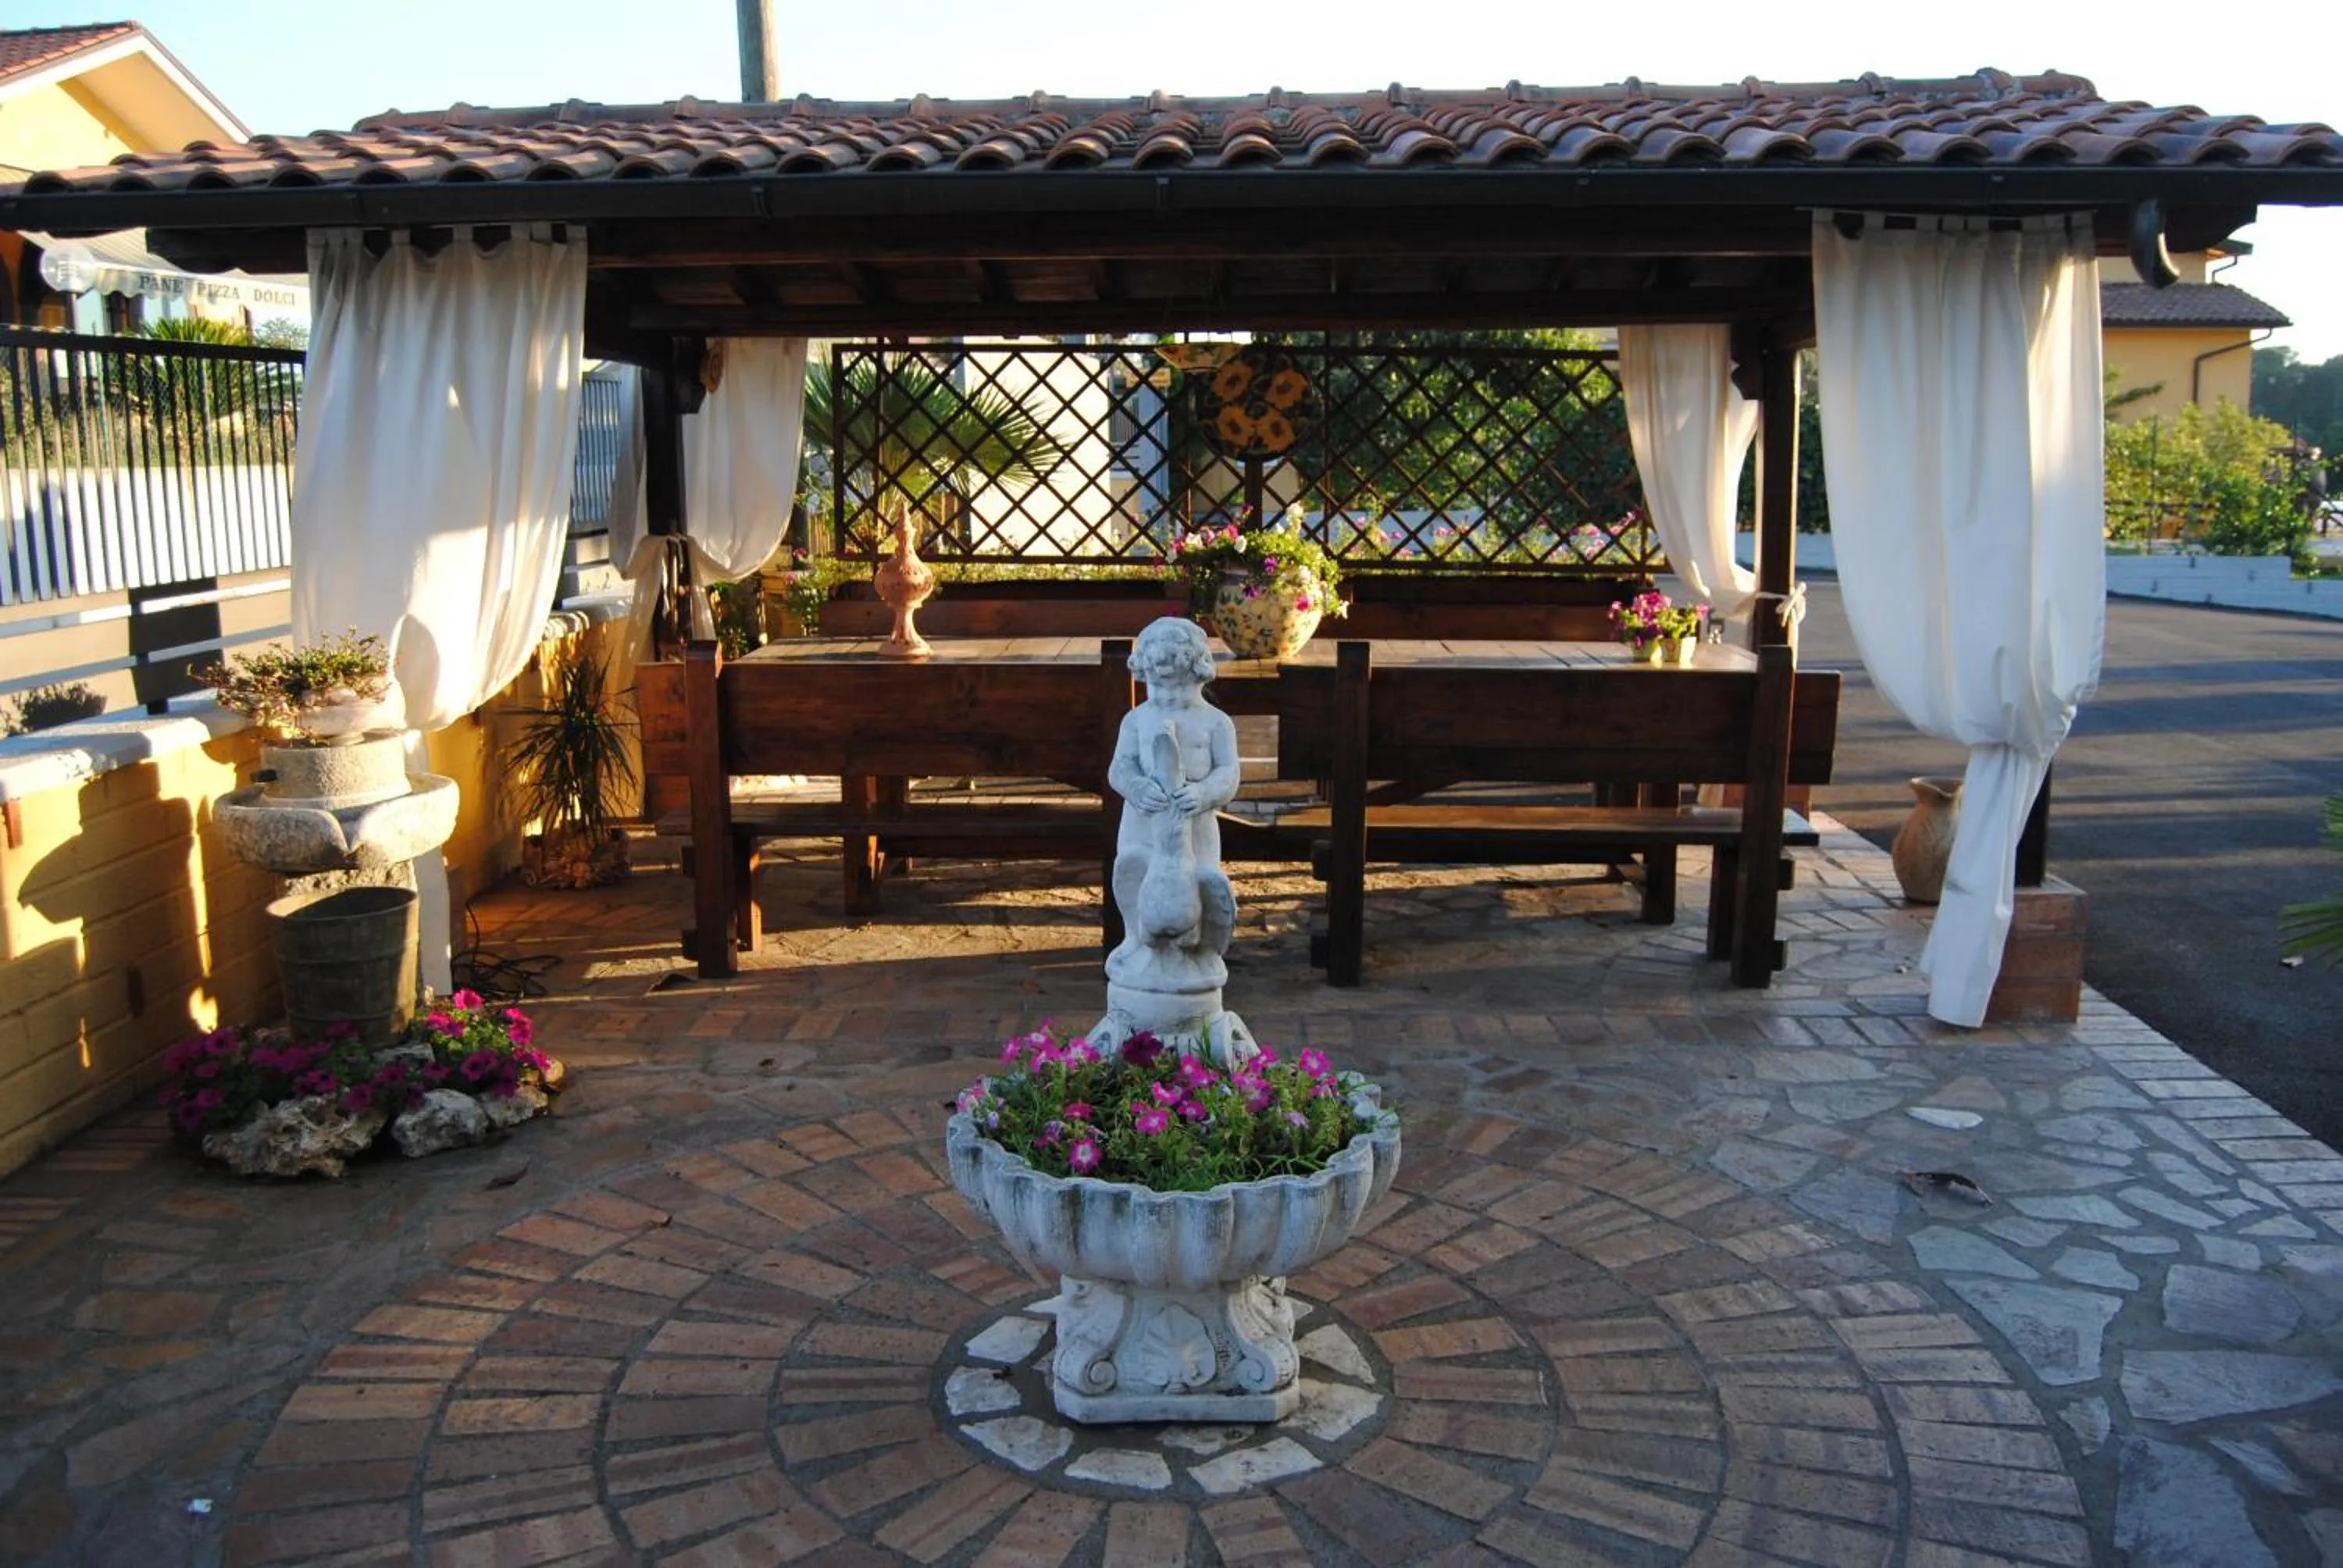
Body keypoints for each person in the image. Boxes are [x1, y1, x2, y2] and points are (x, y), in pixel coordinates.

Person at [1107, 618, 1241, 976]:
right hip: (1142, 821)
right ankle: (1135, 937)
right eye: (1157, 685)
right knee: (1133, 872)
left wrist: (1203, 792)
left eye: (1176, 688)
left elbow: (1229, 773)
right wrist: (1136, 788)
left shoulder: (1215, 722)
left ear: (1197, 673)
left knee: (1202, 880)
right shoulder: (1136, 720)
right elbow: (1120, 768)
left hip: (1195, 820)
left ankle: (1204, 949)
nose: (1166, 697)